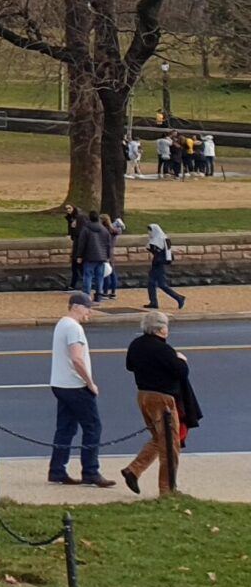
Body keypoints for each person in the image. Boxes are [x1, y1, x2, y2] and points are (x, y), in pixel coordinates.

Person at [121, 310, 196, 496]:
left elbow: (129, 366)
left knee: (158, 438)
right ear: (160, 329)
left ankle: (134, 470)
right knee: (171, 444)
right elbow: (181, 372)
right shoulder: (164, 349)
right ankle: (167, 489)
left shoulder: (136, 344)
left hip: (143, 395)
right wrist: (182, 360)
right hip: (163, 399)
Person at [47, 291, 115, 487]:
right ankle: (90, 471)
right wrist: (90, 382)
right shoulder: (74, 328)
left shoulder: (62, 324)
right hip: (75, 385)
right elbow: (77, 358)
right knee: (93, 427)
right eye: (88, 308)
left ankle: (57, 469)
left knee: (65, 428)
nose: (90, 313)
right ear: (76, 307)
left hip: (60, 384)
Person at [144, 223, 186, 310]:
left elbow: (155, 250)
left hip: (160, 264)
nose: (149, 232)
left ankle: (179, 298)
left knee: (162, 284)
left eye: (150, 230)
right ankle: (153, 302)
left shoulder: (158, 239)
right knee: (151, 283)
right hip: (157, 263)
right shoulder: (162, 238)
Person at [77, 210, 113, 302]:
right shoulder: (104, 230)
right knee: (99, 277)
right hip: (101, 257)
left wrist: (79, 256)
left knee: (88, 276)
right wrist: (108, 256)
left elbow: (82, 243)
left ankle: (86, 296)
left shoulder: (86, 229)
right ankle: (98, 296)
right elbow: (108, 244)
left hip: (89, 256)